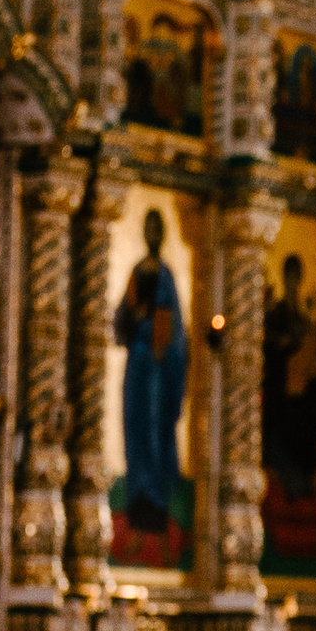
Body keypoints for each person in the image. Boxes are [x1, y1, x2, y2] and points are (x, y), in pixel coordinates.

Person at [111, 208, 187, 542]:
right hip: (137, 365)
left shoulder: (166, 275)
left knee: (156, 435)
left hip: (158, 366)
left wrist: (168, 354)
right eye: (148, 227)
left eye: (158, 228)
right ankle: (136, 508)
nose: (152, 234)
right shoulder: (136, 272)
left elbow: (175, 330)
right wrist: (133, 315)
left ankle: (157, 511)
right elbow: (120, 321)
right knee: (135, 429)